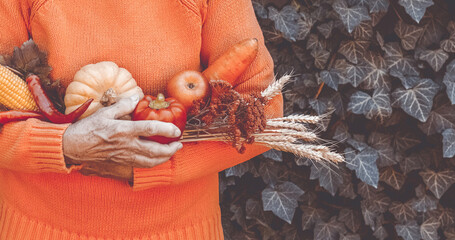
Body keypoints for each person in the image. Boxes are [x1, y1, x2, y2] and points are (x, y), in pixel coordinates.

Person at [0, 0, 283, 239]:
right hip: (38, 227)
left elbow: (264, 114)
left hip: (178, 229)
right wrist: (63, 146)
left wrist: (158, 164)